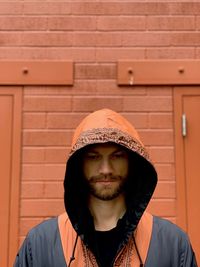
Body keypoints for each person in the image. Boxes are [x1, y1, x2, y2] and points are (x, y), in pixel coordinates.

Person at [14, 108, 197, 267]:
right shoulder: (40, 244)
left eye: (117, 156)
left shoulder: (172, 243)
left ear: (132, 163)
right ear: (79, 165)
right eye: (93, 157)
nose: (106, 169)